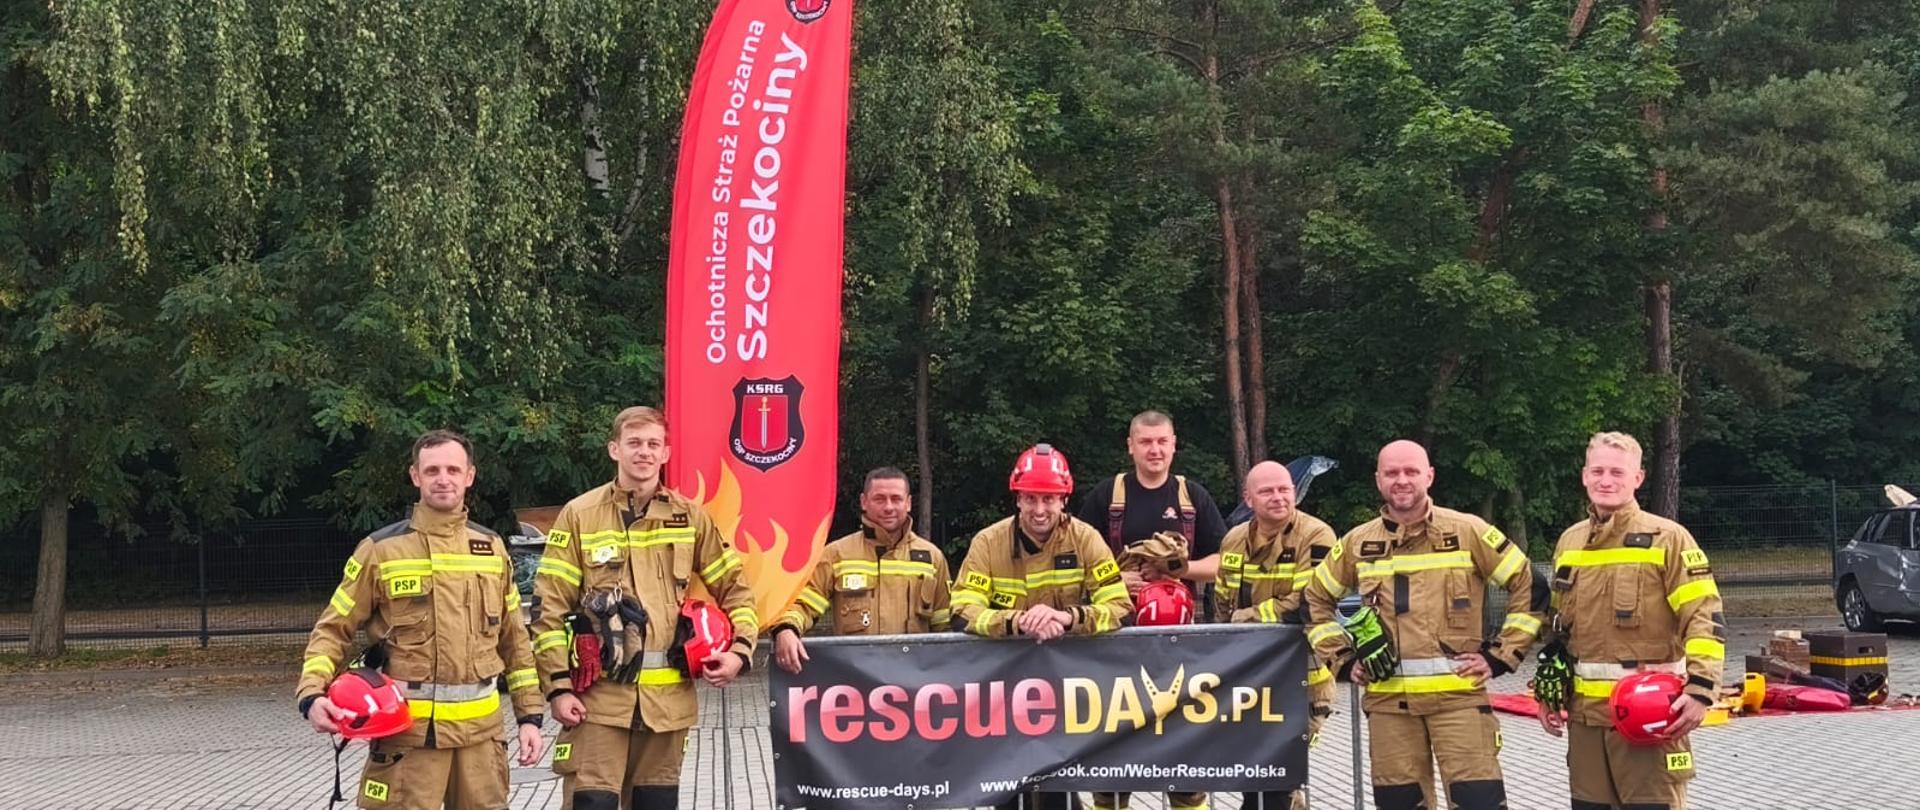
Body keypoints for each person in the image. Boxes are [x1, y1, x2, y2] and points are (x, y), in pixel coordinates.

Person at [296, 429, 546, 810]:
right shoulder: (380, 550)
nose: (443, 478)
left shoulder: (492, 549)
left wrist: (530, 717)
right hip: (406, 741)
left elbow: (515, 641)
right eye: (432, 470)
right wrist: (311, 695)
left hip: (481, 743)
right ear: (415, 476)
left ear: (470, 476)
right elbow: (333, 629)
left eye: (452, 469)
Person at [529, 406, 758, 810]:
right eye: (634, 443)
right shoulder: (579, 515)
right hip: (598, 702)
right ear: (614, 449)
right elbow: (548, 608)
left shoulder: (690, 517)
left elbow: (737, 590)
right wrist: (558, 688)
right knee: (591, 804)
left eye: (654, 444)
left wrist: (740, 651)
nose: (644, 452)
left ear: (667, 453)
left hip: (668, 706)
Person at [1301, 440, 1541, 810]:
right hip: (1388, 706)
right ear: (1378, 480)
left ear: (1429, 476)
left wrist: (1500, 656)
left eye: (1411, 471)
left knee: (1480, 803)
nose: (1402, 480)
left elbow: (1529, 583)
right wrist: (1344, 661)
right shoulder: (1357, 543)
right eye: (1392, 473)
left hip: (1460, 702)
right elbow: (1314, 600)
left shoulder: (1468, 531)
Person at [1536, 432, 1724, 810]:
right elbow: (1558, 629)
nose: (1607, 480)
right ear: (1585, 476)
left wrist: (1702, 689)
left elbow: (1703, 615)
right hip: (1586, 721)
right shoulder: (1570, 542)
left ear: (1638, 478)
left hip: (1649, 716)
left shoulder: (1668, 538)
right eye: (1599, 471)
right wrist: (1548, 690)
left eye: (1618, 472)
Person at [953, 443, 1132, 810]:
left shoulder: (1086, 539)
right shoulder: (988, 543)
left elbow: (1118, 605)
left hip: (1069, 690)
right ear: (1017, 498)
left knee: (1058, 791)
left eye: (1049, 499)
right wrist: (1017, 622)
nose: (1039, 510)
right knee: (1007, 791)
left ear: (1064, 499)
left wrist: (1068, 618)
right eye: (1031, 498)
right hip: (1004, 691)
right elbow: (963, 609)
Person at [1218, 461, 1339, 810]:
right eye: (1267, 491)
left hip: (1305, 681)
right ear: (1248, 498)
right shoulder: (1233, 540)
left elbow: (1309, 603)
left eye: (1284, 489)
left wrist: (1252, 616)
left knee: (1277, 778)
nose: (1278, 498)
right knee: (1259, 780)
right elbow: (1225, 607)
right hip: (1252, 680)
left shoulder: (1317, 535)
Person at [770, 466, 952, 673]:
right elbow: (802, 604)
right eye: (880, 499)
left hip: (915, 683)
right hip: (855, 681)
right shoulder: (836, 554)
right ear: (864, 502)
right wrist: (786, 630)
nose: (889, 507)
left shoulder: (931, 558)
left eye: (896, 498)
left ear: (908, 503)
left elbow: (946, 628)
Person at [1075, 410, 1229, 600]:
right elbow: (1078, 563)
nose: (1155, 450)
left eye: (1162, 441)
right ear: (1131, 446)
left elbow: (1223, 562)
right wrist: (1113, 578)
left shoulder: (1192, 496)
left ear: (1173, 444)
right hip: (1116, 621)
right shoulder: (1107, 495)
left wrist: (1177, 569)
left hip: (1178, 622)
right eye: (1145, 442)